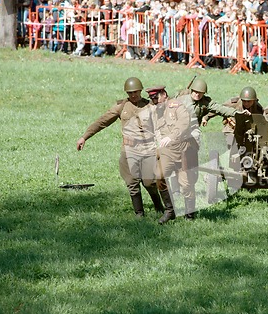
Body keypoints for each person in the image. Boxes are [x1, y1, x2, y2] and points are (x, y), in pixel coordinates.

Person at [76, 77, 165, 218]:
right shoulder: (121, 107)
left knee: (149, 183)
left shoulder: (150, 106)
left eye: (135, 92)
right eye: (130, 93)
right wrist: (84, 137)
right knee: (131, 182)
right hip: (128, 150)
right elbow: (102, 121)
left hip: (147, 150)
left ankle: (159, 207)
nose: (133, 95)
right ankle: (139, 214)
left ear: (140, 91)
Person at [174, 78, 242, 218]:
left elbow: (220, 108)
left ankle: (187, 184)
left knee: (191, 164)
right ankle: (176, 191)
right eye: (195, 92)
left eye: (201, 93)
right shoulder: (181, 99)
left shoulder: (205, 102)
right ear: (191, 91)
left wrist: (236, 113)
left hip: (192, 136)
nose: (197, 95)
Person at [146, 85, 194, 224]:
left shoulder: (177, 106)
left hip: (183, 150)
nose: (155, 101)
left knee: (185, 184)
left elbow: (184, 123)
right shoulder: (155, 111)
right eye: (152, 98)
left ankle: (190, 214)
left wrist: (172, 136)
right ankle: (170, 210)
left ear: (164, 94)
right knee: (159, 176)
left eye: (156, 97)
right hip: (167, 151)